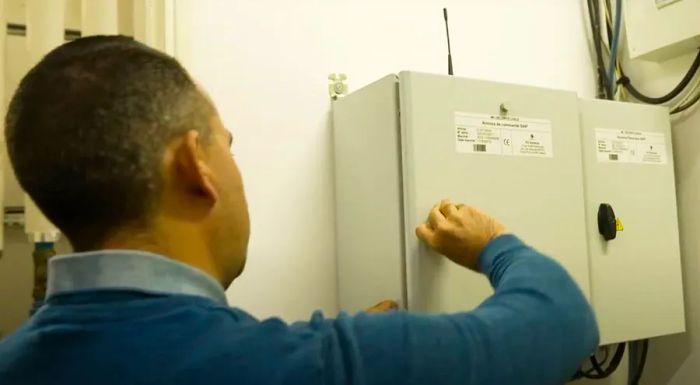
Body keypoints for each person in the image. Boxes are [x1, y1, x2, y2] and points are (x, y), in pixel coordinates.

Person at [0, 36, 598, 385]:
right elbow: (563, 318)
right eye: (226, 145)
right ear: (195, 167)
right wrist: (496, 242)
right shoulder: (316, 364)